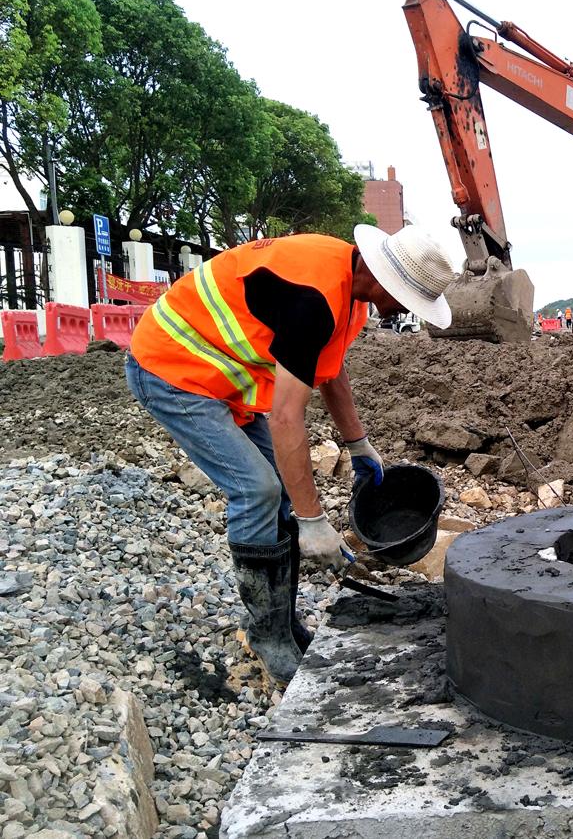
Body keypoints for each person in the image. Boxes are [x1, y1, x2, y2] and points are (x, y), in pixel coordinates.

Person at [125, 225, 456, 681]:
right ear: (386, 281)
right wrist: (313, 521)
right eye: (408, 300)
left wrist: (358, 444)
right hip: (171, 367)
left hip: (219, 377)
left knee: (278, 488)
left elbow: (330, 371)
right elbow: (285, 419)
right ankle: (266, 635)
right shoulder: (312, 300)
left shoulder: (348, 288)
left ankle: (281, 622)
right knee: (258, 490)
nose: (406, 311)